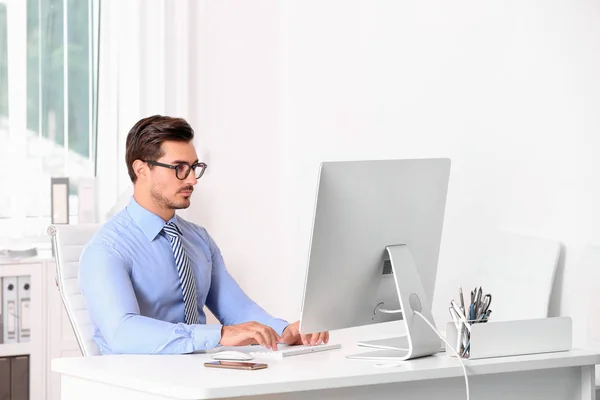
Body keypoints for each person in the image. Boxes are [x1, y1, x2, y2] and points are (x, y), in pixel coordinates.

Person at [79, 115, 329, 354]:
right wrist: (218, 335)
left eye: (194, 167)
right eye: (179, 168)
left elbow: (237, 309)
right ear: (142, 169)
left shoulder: (197, 239)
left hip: (199, 374)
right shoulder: (107, 249)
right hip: (137, 382)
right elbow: (122, 332)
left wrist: (284, 331)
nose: (192, 180)